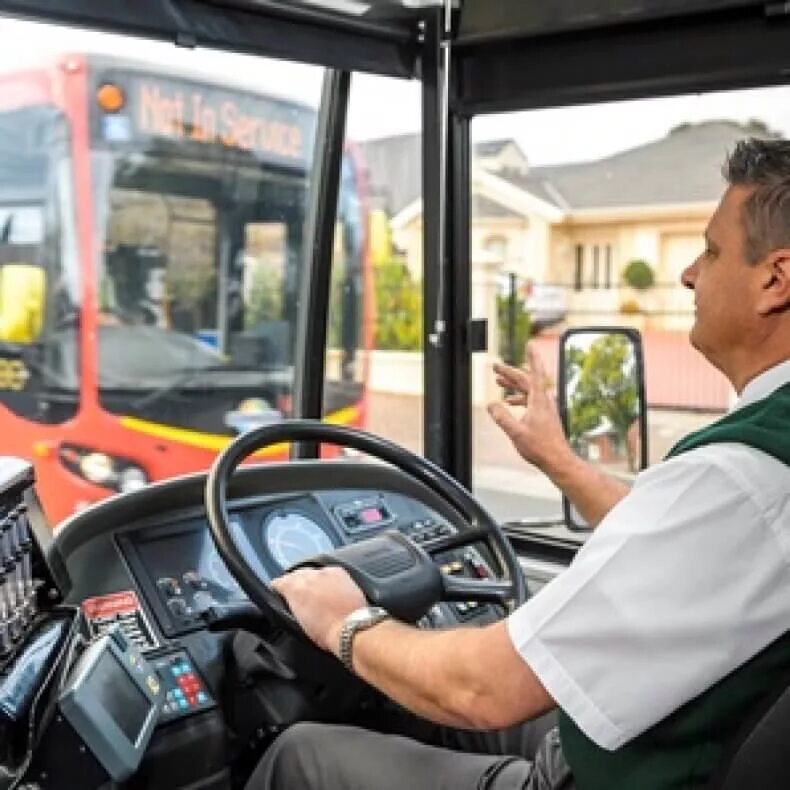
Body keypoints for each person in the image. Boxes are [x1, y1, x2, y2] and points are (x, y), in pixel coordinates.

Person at [246, 137, 790, 790]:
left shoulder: (737, 476)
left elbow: (479, 690)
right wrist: (559, 461)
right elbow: (694, 551)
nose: (689, 273)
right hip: (663, 749)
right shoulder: (752, 479)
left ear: (775, 280)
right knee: (397, 697)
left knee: (300, 753)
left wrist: (340, 618)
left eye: (711, 250)